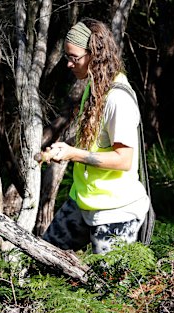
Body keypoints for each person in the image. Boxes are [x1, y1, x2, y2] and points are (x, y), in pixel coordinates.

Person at [41, 18, 150, 254]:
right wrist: (64, 149)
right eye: (67, 57)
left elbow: (124, 160)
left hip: (116, 211)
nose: (69, 64)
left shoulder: (117, 98)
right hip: (83, 201)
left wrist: (74, 154)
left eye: (74, 57)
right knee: (43, 256)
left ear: (95, 55)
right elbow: (94, 143)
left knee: (107, 287)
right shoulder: (93, 86)